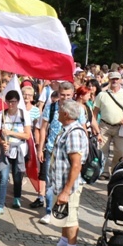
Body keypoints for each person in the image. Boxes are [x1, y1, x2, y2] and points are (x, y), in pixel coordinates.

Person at [37, 81, 87, 224]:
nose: (65, 97)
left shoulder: (77, 109)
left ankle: (61, 210)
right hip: (52, 148)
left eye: (68, 95)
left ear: (73, 94)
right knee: (49, 180)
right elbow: (43, 127)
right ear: (58, 94)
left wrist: (84, 148)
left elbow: (82, 127)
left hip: (69, 150)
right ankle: (49, 211)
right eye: (62, 95)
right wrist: (40, 148)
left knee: (65, 180)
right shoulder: (52, 107)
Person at [44, 100, 88, 246]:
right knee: (63, 215)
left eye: (60, 110)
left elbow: (76, 165)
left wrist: (66, 191)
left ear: (66, 114)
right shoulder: (66, 130)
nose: (58, 113)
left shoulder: (74, 133)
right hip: (60, 183)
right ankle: (63, 243)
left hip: (69, 186)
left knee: (70, 218)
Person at [0, 90, 31, 217]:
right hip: (5, 151)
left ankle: (17, 197)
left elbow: (27, 135)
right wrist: (2, 142)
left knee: (17, 175)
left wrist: (11, 133)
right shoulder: (1, 115)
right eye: (9, 102)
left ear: (18, 102)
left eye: (13, 102)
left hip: (19, 150)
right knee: (3, 178)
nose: (11, 104)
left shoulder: (24, 114)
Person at [92, 71, 123, 179]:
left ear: (120, 80)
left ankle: (115, 171)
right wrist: (94, 126)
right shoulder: (102, 95)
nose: (115, 81)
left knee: (120, 151)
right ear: (109, 80)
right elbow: (94, 112)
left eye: (117, 79)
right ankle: (104, 172)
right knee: (102, 150)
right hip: (104, 126)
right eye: (112, 79)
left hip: (121, 127)